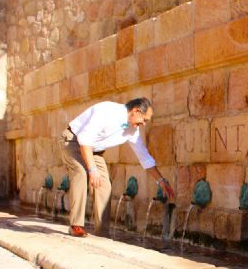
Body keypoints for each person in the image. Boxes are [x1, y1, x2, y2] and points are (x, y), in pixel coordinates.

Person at [59, 97, 175, 237]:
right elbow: (85, 139)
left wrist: (161, 180)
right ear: (136, 111)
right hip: (73, 141)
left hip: (94, 150)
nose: (144, 124)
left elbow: (144, 157)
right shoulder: (107, 111)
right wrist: (92, 169)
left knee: (104, 185)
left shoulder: (132, 130)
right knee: (81, 173)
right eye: (144, 120)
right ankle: (76, 226)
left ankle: (102, 232)